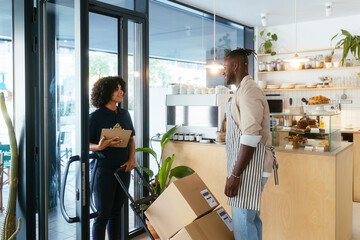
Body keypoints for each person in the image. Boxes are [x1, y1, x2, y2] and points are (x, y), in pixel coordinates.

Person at [222, 48, 278, 240]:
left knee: (243, 226)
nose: (223, 71)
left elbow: (251, 136)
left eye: (225, 66)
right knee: (251, 221)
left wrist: (235, 174)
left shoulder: (249, 91)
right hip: (248, 168)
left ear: (235, 66)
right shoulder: (243, 90)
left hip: (249, 170)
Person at [89, 76, 136, 240]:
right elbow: (84, 144)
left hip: (123, 168)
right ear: (106, 92)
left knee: (116, 213)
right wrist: (98, 147)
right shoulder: (95, 117)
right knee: (102, 215)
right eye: (116, 89)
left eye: (121, 88)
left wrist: (132, 160)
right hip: (103, 171)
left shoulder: (125, 114)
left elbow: (131, 139)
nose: (121, 92)